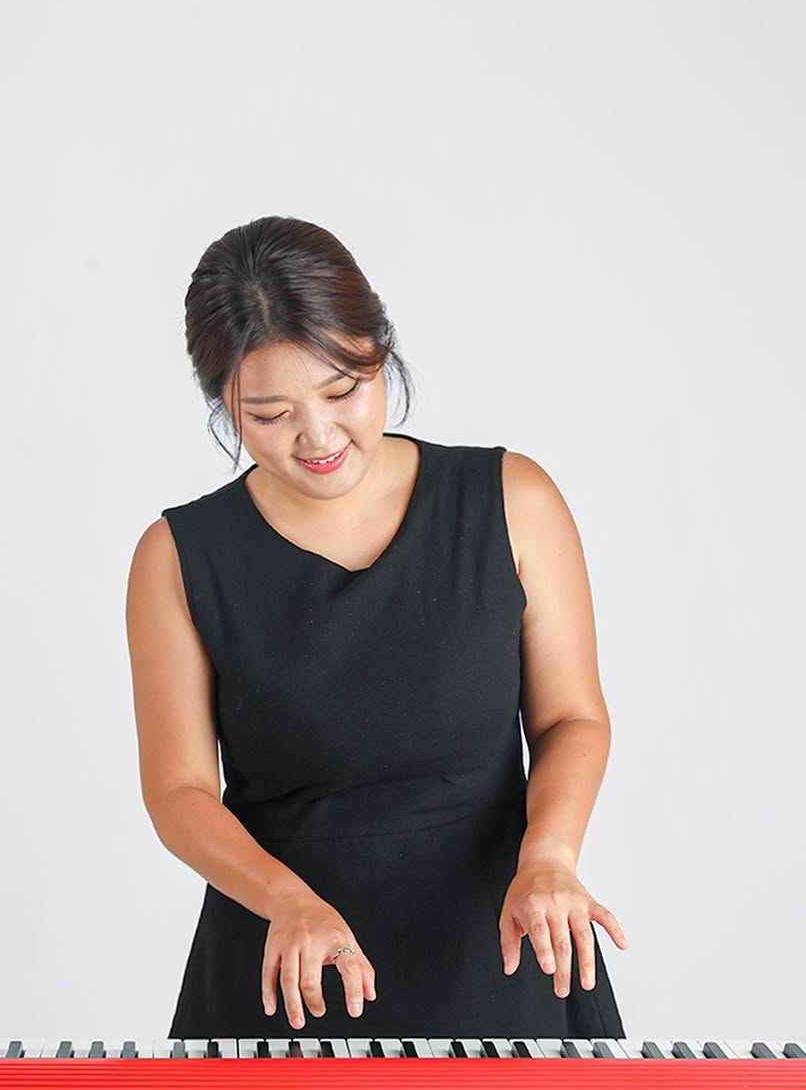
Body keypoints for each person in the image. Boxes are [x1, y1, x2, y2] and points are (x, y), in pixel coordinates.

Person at [125, 215, 628, 1041]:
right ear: (225, 403)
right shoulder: (178, 558)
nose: (318, 436)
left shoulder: (512, 501)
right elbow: (178, 791)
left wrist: (549, 856)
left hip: (504, 953)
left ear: (380, 351)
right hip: (286, 975)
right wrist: (285, 899)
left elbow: (571, 717)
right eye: (270, 414)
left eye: (342, 391)